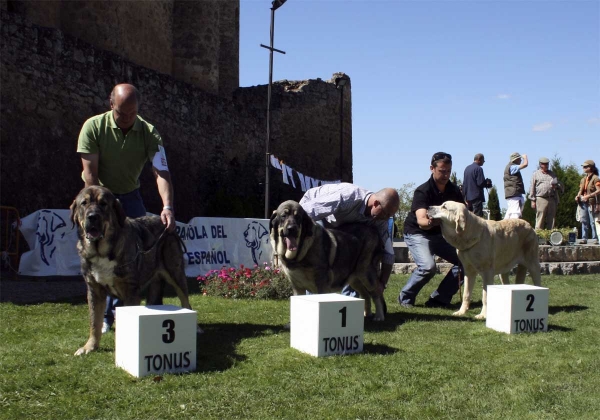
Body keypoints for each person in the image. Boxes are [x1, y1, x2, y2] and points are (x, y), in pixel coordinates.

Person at [77, 83, 177, 333]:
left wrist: (167, 206)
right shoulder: (93, 127)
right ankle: (105, 318)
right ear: (111, 105)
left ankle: (125, 313)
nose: (128, 119)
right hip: (99, 198)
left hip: (130, 197)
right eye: (122, 114)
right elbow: (90, 176)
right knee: (102, 257)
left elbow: (161, 172)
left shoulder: (150, 133)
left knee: (132, 257)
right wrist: (101, 210)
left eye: (133, 113)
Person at [299, 183, 400, 296]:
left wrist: (382, 284)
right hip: (316, 211)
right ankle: (314, 300)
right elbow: (307, 211)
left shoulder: (381, 220)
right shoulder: (348, 197)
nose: (385, 219)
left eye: (389, 216)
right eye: (385, 214)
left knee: (356, 254)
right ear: (376, 204)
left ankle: (349, 303)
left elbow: (388, 253)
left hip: (339, 223)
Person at [398, 152, 464, 309]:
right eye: (442, 170)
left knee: (466, 263)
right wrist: (433, 221)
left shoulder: (454, 191)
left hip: (440, 235)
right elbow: (422, 221)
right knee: (428, 267)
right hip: (417, 233)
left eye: (448, 171)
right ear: (432, 168)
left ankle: (439, 299)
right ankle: (405, 298)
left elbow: (463, 213)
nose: (446, 174)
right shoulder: (422, 191)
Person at [529, 157, 559, 230]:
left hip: (551, 198)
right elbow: (532, 187)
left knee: (551, 218)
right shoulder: (535, 174)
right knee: (540, 218)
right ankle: (538, 236)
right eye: (544, 164)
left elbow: (557, 185)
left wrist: (556, 185)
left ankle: (550, 237)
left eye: (547, 164)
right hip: (540, 198)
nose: (546, 165)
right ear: (540, 164)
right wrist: (532, 200)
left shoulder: (552, 174)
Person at [575, 160, 600, 243]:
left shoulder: (596, 178)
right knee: (584, 221)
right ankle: (584, 238)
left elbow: (598, 190)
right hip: (583, 202)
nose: (583, 168)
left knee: (593, 221)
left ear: (591, 168)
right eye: (583, 166)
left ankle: (594, 238)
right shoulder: (583, 179)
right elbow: (580, 189)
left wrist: (588, 196)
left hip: (591, 202)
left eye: (585, 167)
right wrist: (578, 195)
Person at [462, 153, 490, 217]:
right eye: (483, 160)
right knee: (477, 217)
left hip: (468, 197)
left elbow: (465, 183)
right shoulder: (478, 169)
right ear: (479, 159)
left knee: (469, 217)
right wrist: (486, 183)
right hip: (476, 196)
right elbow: (480, 183)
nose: (483, 162)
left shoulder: (467, 168)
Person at [503, 152, 528, 219]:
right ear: (516, 159)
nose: (521, 160)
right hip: (514, 194)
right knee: (515, 214)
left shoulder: (509, 167)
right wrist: (525, 157)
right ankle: (514, 228)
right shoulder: (512, 167)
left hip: (511, 194)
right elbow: (525, 164)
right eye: (520, 159)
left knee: (510, 213)